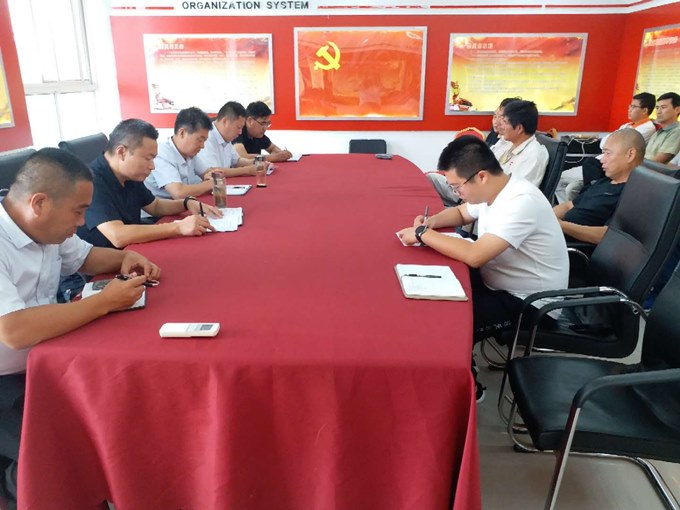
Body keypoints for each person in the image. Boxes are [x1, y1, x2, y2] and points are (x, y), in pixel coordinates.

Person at [0, 148, 161, 507]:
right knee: (57, 451)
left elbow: (86, 257)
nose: (82, 221)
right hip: (7, 380)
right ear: (39, 203)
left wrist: (125, 257)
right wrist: (104, 302)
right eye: (78, 211)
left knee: (120, 411)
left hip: (47, 360)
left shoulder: (44, 228)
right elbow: (14, 330)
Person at [398, 137, 568, 400]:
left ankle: (467, 389)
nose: (456, 193)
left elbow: (475, 256)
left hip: (531, 303)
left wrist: (422, 234)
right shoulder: (494, 189)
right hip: (498, 282)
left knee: (446, 325)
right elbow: (462, 213)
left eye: (457, 186)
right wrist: (431, 222)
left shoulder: (521, 201)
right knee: (431, 300)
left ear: (481, 176)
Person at [77, 119, 220, 249]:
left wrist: (187, 203)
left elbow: (155, 206)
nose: (152, 166)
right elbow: (118, 235)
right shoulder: (91, 181)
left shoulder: (129, 175)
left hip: (132, 250)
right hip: (104, 262)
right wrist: (178, 227)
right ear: (121, 152)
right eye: (147, 159)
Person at [428, 99, 548, 207]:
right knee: (430, 179)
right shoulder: (507, 143)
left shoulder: (534, 155)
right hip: (475, 191)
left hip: (490, 203)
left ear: (519, 128)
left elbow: (517, 196)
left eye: (504, 122)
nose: (500, 125)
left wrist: (473, 196)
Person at [556, 92, 657, 202]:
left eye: (633, 106)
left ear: (644, 110)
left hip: (609, 166)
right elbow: (603, 143)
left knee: (567, 184)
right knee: (561, 178)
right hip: (600, 161)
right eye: (629, 106)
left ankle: (574, 208)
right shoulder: (627, 125)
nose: (629, 109)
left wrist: (611, 143)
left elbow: (612, 144)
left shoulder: (648, 128)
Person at [554, 129, 645, 245]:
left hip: (573, 247)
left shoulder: (632, 193)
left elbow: (608, 235)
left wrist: (560, 225)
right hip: (556, 234)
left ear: (630, 155)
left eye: (608, 153)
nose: (602, 160)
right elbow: (569, 205)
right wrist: (548, 217)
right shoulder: (605, 181)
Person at [144, 107, 215, 199]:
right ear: (182, 133)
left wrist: (210, 176)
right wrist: (209, 184)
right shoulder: (162, 154)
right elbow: (178, 193)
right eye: (200, 140)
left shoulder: (189, 153)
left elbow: (206, 172)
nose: (202, 146)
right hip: (164, 207)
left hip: (185, 203)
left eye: (204, 141)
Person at [195, 101, 265, 178]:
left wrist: (257, 163)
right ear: (225, 121)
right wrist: (247, 170)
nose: (240, 132)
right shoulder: (207, 137)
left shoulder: (226, 137)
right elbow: (214, 172)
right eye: (238, 127)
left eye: (241, 128)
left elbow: (237, 161)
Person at [645, 92, 680, 164]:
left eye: (663, 107)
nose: (658, 112)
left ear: (677, 110)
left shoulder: (677, 131)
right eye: (657, 108)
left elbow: (657, 162)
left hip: (651, 170)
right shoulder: (659, 131)